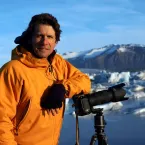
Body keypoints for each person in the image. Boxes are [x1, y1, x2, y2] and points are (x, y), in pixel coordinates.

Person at [0, 13, 91, 145]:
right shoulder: (13, 70)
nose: (44, 42)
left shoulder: (57, 63)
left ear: (56, 41)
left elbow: (84, 81)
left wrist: (63, 88)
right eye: (39, 36)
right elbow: (1, 121)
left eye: (49, 37)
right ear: (30, 38)